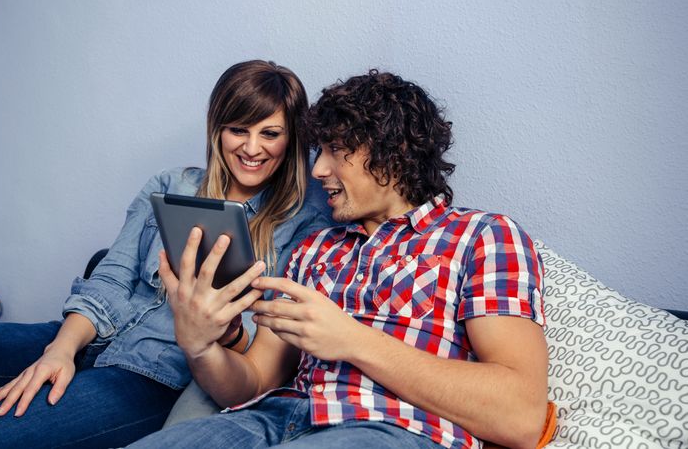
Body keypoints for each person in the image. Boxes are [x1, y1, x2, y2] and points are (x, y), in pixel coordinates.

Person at [128, 70, 551, 449]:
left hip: (389, 429)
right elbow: (252, 382)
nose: (318, 170)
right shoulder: (316, 250)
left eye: (334, 150)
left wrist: (353, 339)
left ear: (393, 150)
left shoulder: (483, 237)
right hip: (275, 419)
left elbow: (520, 416)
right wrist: (199, 345)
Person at [0, 60, 331, 448]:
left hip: (153, 377)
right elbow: (111, 278)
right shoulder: (172, 184)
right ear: (217, 129)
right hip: (87, 336)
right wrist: (61, 351)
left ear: (293, 139)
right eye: (238, 130)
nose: (252, 148)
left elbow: (258, 354)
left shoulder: (305, 225)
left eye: (270, 133)